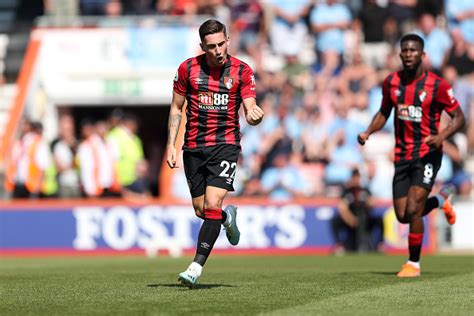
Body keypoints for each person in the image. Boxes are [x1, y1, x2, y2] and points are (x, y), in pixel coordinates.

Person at [357, 34, 465, 277]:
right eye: (404, 50)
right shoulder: (391, 83)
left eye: (413, 50)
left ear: (423, 55)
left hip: (428, 153)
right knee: (403, 215)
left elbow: (460, 118)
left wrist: (441, 137)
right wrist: (368, 132)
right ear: (399, 54)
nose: (408, 54)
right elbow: (384, 112)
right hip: (402, 155)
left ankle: (413, 264)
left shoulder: (437, 86)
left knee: (415, 208)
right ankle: (441, 200)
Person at [166, 19, 264, 288]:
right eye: (212, 46)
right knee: (202, 211)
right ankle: (226, 218)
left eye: (222, 43)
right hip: (193, 147)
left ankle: (195, 267)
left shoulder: (242, 71)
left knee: (211, 205)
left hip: (225, 145)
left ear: (228, 41)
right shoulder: (187, 69)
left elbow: (250, 106)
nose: (218, 50)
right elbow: (176, 108)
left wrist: (254, 116)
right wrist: (170, 145)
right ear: (202, 47)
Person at [331, 169, 383, 253]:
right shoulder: (347, 191)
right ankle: (339, 245)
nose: (356, 180)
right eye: (354, 178)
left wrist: (366, 202)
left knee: (379, 219)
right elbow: (342, 208)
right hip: (349, 219)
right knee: (334, 220)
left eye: (357, 178)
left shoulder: (364, 190)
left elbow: (371, 203)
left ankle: (380, 244)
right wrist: (351, 220)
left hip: (364, 218)